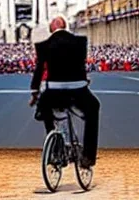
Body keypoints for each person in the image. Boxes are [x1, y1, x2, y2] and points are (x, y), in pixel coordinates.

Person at [29, 16, 100, 169]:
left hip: (53, 92)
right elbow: (80, 65)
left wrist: (34, 93)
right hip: (77, 91)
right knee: (94, 108)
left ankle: (55, 149)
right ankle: (88, 156)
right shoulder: (80, 42)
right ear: (66, 26)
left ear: (51, 28)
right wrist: (84, 80)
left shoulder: (43, 45)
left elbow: (39, 70)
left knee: (45, 110)